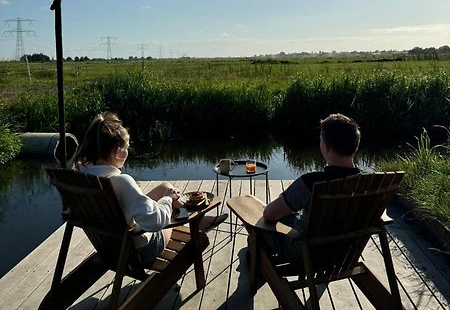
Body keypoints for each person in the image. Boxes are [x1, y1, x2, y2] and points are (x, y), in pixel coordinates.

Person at [75, 112, 227, 267]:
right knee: (169, 201)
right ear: (116, 152)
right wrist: (168, 199)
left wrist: (165, 194)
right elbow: (156, 223)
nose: (128, 153)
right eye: (126, 148)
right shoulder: (120, 182)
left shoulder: (81, 176)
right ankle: (195, 221)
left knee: (165, 187)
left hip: (108, 246)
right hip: (140, 250)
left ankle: (198, 219)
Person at [261, 113, 361, 267]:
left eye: (321, 140)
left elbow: (269, 214)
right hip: (345, 252)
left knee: (261, 225)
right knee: (287, 217)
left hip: (306, 254)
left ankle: (257, 262)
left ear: (326, 147)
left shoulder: (312, 182)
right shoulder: (369, 182)